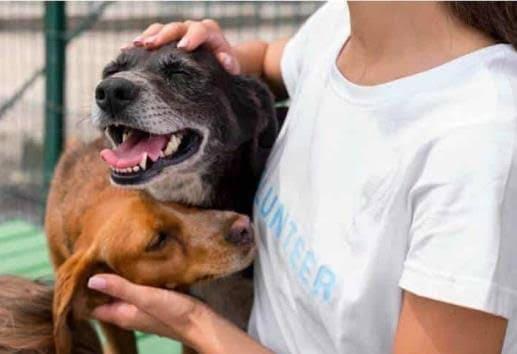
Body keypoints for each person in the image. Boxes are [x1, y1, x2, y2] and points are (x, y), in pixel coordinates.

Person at [87, 2, 517, 353]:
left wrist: (194, 323)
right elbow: (273, 58)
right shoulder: (340, 26)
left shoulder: (479, 144)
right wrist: (205, 59)